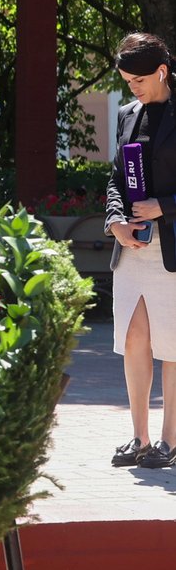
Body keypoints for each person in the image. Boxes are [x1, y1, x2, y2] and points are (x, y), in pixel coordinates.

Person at [107, 32, 176, 470]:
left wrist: (164, 208)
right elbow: (116, 177)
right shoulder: (127, 115)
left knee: (172, 345)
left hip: (172, 247)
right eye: (128, 81)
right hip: (133, 247)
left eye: (139, 80)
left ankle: (171, 441)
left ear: (163, 72)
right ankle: (140, 438)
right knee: (134, 338)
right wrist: (115, 219)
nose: (133, 88)